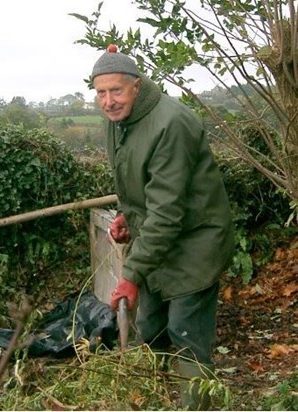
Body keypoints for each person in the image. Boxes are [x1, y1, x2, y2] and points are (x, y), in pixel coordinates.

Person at [90, 44, 234, 410]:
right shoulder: (118, 122)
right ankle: (145, 402)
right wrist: (126, 214)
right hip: (157, 242)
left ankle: (195, 406)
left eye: (116, 91)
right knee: (148, 332)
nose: (108, 101)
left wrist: (132, 275)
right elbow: (137, 183)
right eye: (101, 92)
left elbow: (168, 211)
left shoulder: (171, 123)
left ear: (136, 86)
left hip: (194, 244)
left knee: (187, 339)